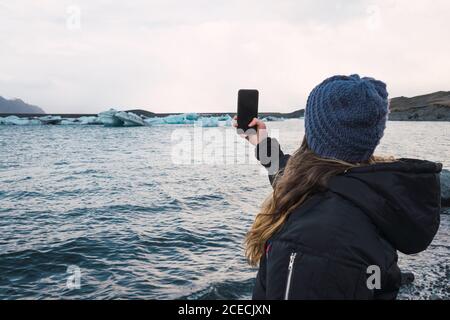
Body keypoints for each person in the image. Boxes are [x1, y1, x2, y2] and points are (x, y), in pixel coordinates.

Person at [234, 74, 442, 300]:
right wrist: (261, 142)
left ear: (314, 132)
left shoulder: (311, 243)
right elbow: (288, 173)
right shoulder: (362, 187)